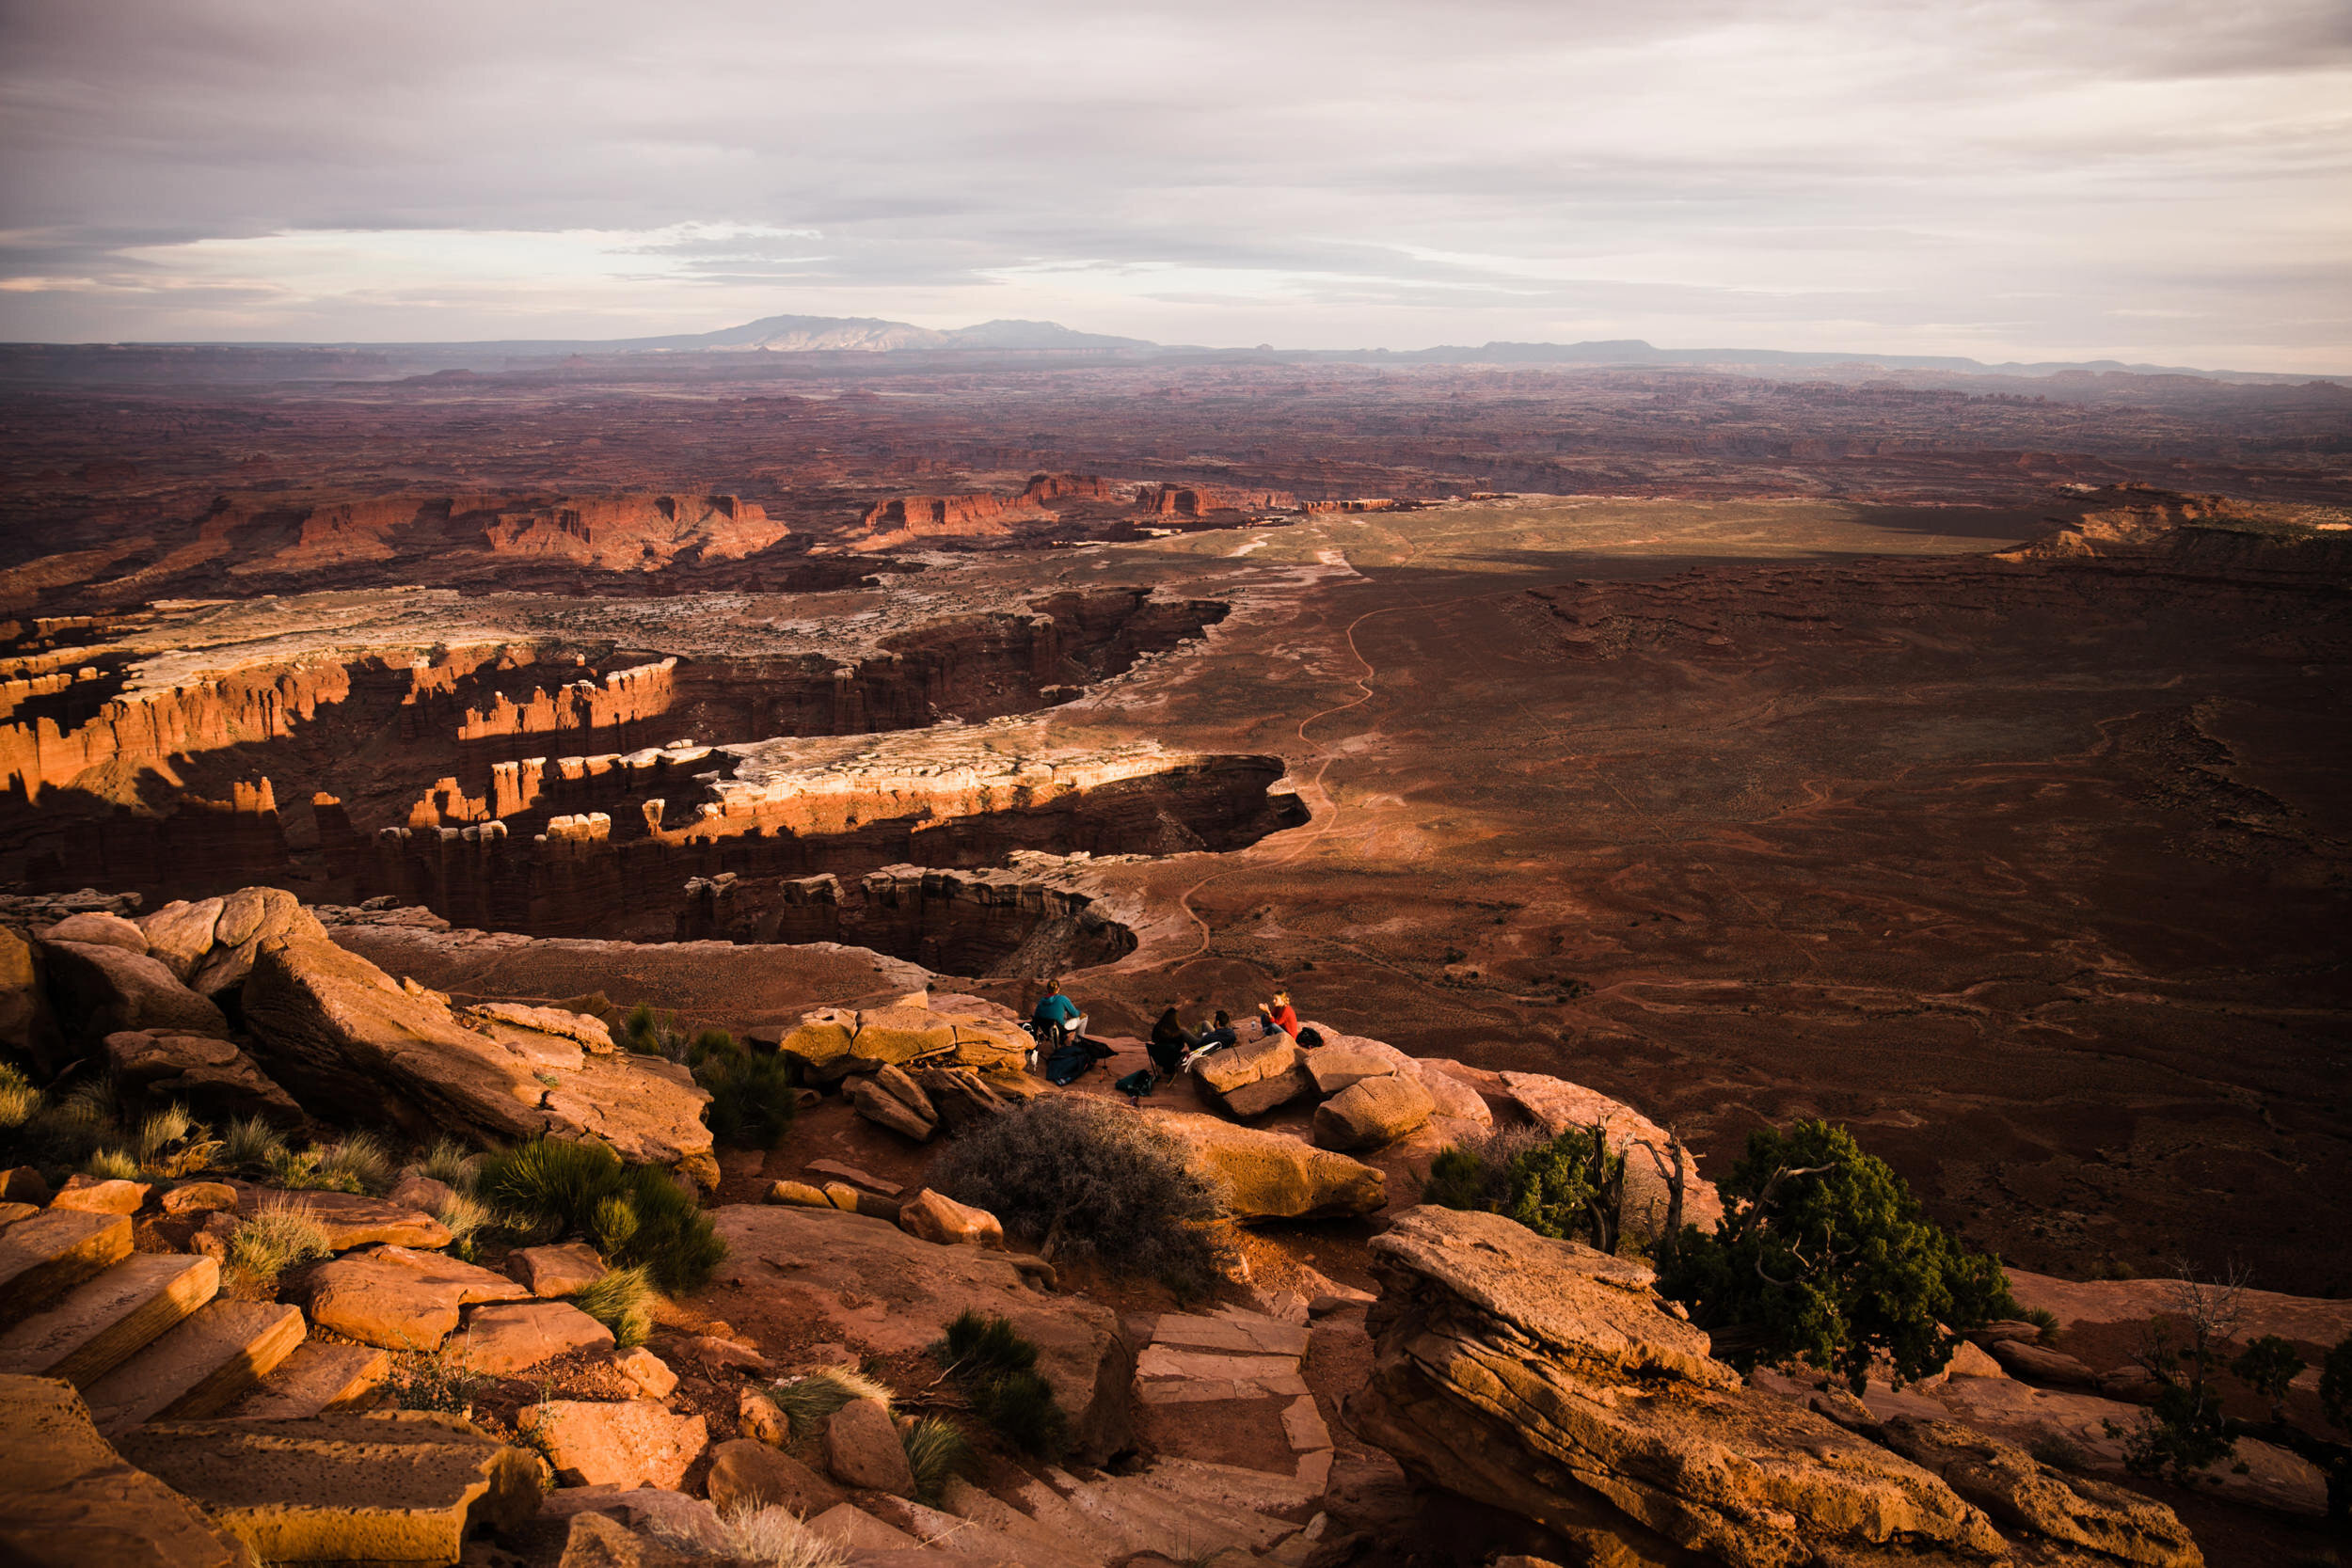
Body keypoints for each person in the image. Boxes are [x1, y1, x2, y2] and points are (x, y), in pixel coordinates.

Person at [1149, 1006, 1201, 1077]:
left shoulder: (1157, 1027)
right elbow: (1181, 1046)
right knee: (1184, 1034)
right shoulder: (1177, 1032)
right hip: (1172, 1058)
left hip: (1159, 1058)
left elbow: (1153, 1039)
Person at [1031, 980, 1085, 1047]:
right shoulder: (1062, 999)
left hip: (1045, 1029)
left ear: (1048, 989)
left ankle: (1061, 1038)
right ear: (1058, 989)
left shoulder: (1042, 1001)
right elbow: (1074, 1014)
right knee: (1084, 1018)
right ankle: (1077, 1044)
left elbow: (1036, 1017)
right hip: (1060, 1027)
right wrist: (1081, 1013)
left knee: (1062, 1012)